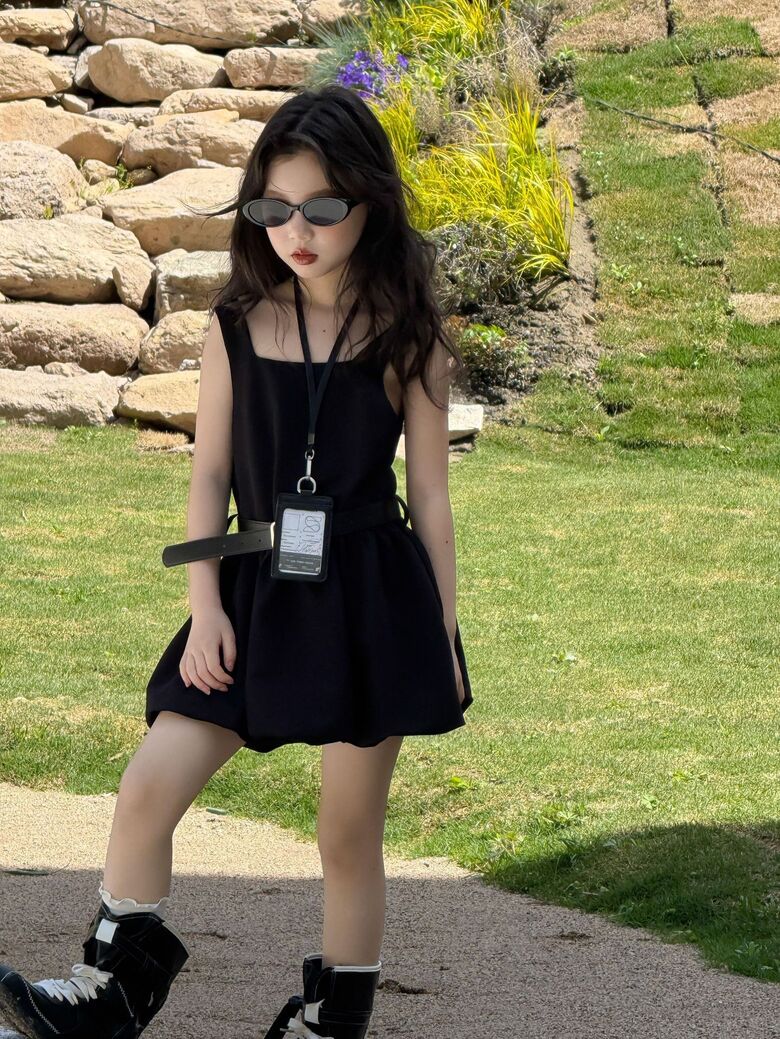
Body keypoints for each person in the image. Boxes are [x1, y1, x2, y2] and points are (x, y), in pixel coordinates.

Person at [0, 82, 473, 1039]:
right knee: (148, 784)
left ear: (369, 202)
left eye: (322, 208)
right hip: (250, 586)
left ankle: (332, 1021)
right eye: (274, 209)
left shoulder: (409, 335)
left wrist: (444, 634)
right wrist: (206, 605)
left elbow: (429, 499)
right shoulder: (234, 324)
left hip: (369, 601)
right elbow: (210, 474)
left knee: (347, 833)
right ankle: (109, 992)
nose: (296, 231)